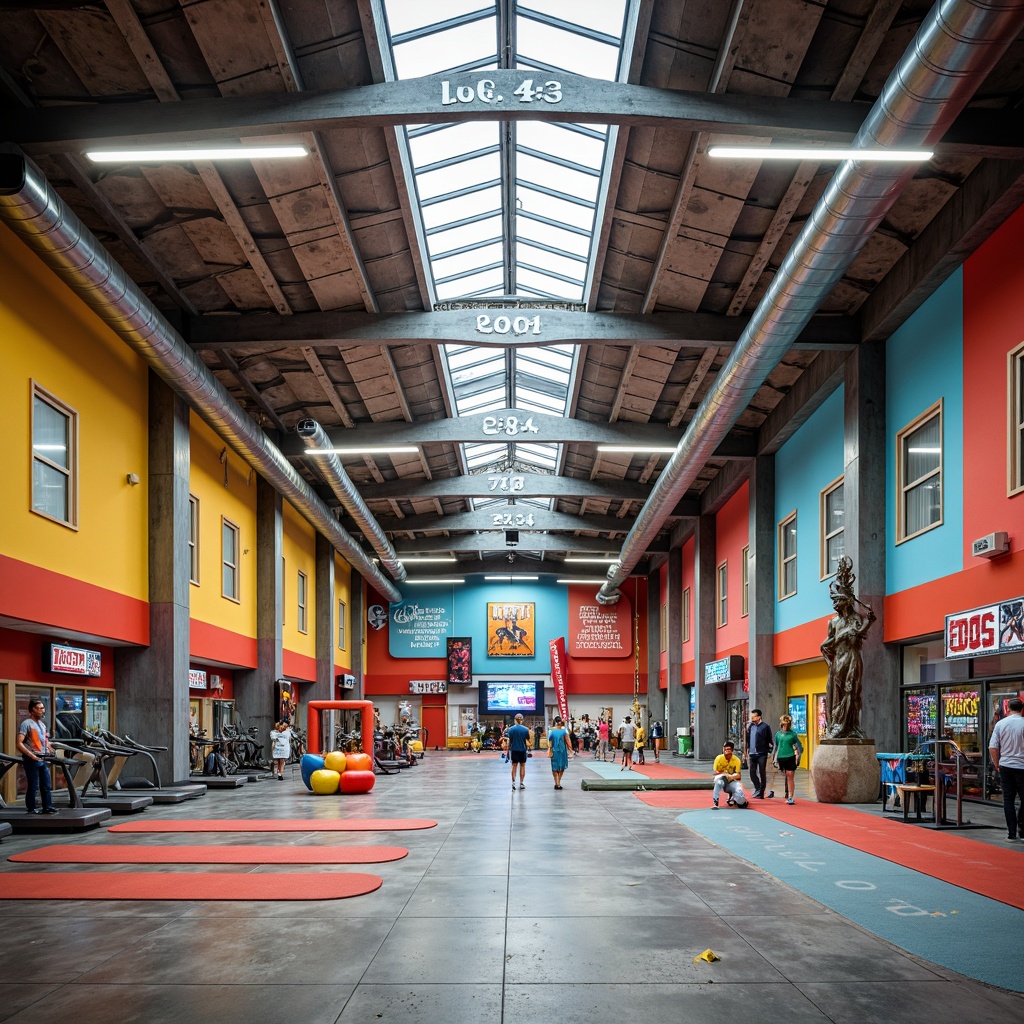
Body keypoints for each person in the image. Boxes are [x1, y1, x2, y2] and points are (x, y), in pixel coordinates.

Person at [820, 556, 876, 738]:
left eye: (838, 600)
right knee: (837, 692)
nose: (835, 604)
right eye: (834, 601)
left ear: (847, 600)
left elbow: (860, 636)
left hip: (852, 659)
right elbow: (828, 644)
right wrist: (840, 638)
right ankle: (836, 724)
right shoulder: (833, 622)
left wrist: (869, 622)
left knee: (852, 692)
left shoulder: (856, 619)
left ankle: (850, 726)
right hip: (838, 661)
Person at [988, 696, 1024, 841]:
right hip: (1022, 766)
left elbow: (993, 747)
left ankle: (1011, 833)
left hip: (1006, 765)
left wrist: (997, 763)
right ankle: (1022, 828)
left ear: (1007, 708)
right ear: (1022, 709)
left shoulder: (1001, 724)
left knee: (1008, 799)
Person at [16, 698, 58, 814]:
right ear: (32, 710)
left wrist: (51, 749)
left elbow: (45, 740)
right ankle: (31, 808)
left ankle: (47, 806)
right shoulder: (26, 724)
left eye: (43, 708)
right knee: (33, 786)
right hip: (31, 760)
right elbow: (19, 743)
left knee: (46, 785)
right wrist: (31, 755)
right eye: (39, 708)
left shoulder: (42, 725)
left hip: (43, 758)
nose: (42, 711)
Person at [773, 715, 804, 805]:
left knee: (790, 775)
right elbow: (775, 746)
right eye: (784, 723)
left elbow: (799, 747)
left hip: (790, 756)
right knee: (783, 775)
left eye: (787, 723)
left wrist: (798, 755)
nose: (786, 725)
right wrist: (773, 757)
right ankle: (783, 792)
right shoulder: (778, 734)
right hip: (780, 757)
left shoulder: (793, 734)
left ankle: (791, 796)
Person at [745, 708, 774, 798]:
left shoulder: (765, 727)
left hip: (762, 753)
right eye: (751, 716)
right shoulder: (750, 726)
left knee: (762, 772)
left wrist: (768, 751)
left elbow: (770, 740)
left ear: (759, 717)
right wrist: (746, 751)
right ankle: (757, 788)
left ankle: (762, 791)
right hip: (752, 753)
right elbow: (747, 740)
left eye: (754, 717)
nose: (752, 718)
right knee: (752, 772)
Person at [711, 741, 747, 808]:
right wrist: (724, 774)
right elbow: (715, 772)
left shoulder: (737, 760)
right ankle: (715, 802)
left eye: (728, 749)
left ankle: (735, 798)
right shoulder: (718, 758)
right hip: (722, 779)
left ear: (732, 751)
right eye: (725, 749)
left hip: (732, 780)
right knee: (718, 782)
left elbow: (739, 776)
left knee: (741, 801)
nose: (726, 751)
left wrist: (731, 776)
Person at [505, 713, 532, 791]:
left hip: (514, 750)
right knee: (523, 766)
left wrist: (507, 751)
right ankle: (521, 783)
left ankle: (513, 782)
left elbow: (509, 741)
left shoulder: (511, 729)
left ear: (515, 720)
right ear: (522, 720)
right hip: (523, 750)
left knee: (514, 766)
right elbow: (528, 741)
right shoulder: (526, 730)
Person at [547, 716, 573, 789]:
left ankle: (557, 782)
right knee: (562, 766)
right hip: (562, 751)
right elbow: (568, 740)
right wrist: (571, 750)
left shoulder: (551, 730)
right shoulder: (564, 730)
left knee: (554, 767)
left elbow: (549, 741)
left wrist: (549, 749)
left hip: (554, 750)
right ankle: (558, 782)